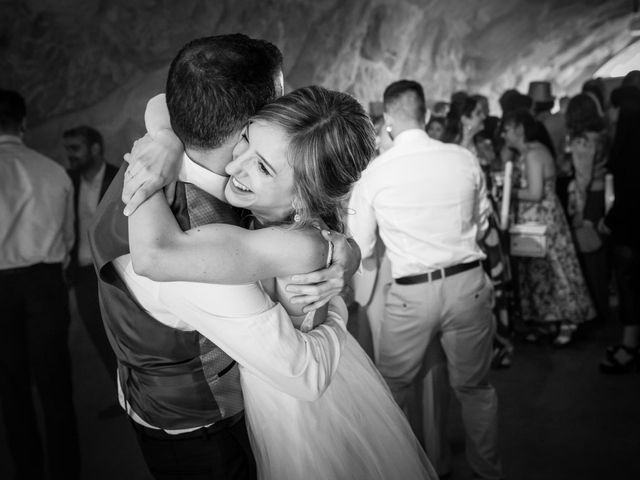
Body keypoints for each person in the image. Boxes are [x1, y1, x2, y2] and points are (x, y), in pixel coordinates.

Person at [124, 86, 436, 479]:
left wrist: (145, 159)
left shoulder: (297, 248)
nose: (236, 167)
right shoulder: (287, 213)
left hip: (294, 416)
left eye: (263, 168)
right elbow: (163, 99)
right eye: (245, 143)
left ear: (305, 198)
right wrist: (167, 138)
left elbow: (154, 256)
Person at [89, 35, 356, 480]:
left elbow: (159, 102)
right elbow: (304, 374)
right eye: (278, 105)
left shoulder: (154, 156)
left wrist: (161, 133)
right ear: (250, 123)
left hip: (152, 397)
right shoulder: (198, 250)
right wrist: (339, 298)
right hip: (204, 435)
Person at [349, 80, 502, 480]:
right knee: (475, 388)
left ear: (387, 122)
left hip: (412, 294)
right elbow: (483, 222)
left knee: (393, 387)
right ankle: (488, 472)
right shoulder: (463, 159)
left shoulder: (375, 173)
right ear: (428, 115)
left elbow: (361, 247)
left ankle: (405, 470)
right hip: (468, 285)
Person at [0, 89, 80, 479]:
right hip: (46, 284)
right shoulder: (53, 171)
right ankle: (66, 472)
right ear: (24, 123)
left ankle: (28, 472)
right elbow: (67, 239)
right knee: (56, 385)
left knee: (10, 390)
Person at [502, 108, 596, 346]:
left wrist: (506, 193)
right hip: (533, 221)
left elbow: (535, 193)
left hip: (544, 220)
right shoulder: (526, 153)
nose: (503, 135)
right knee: (539, 273)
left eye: (507, 129)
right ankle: (548, 320)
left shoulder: (534, 154)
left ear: (519, 129)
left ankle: (568, 320)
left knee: (556, 270)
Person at [63, 126, 119, 383]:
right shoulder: (66, 182)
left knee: (124, 335)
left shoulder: (118, 178)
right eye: (68, 149)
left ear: (95, 148)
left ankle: (143, 402)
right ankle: (121, 398)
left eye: (75, 148)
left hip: (115, 273)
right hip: (83, 275)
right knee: (99, 337)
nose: (69, 155)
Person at [599, 85, 640, 373]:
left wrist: (608, 220)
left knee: (630, 286)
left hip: (631, 230)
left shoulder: (628, 146)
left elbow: (629, 194)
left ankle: (629, 348)